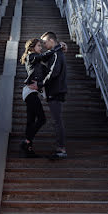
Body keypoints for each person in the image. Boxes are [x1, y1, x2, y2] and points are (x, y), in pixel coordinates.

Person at [20, 38, 62, 158]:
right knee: (42, 119)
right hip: (30, 92)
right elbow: (44, 56)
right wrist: (57, 48)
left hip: (32, 92)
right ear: (32, 47)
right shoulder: (31, 57)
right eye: (39, 45)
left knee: (31, 121)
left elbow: (49, 73)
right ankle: (27, 141)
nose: (41, 47)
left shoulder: (37, 63)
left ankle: (28, 148)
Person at [29, 31, 68, 159]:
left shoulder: (57, 54)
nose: (44, 44)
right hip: (56, 90)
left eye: (45, 42)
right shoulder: (56, 53)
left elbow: (53, 73)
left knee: (57, 121)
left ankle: (61, 150)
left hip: (55, 90)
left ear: (51, 40)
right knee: (57, 121)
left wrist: (40, 84)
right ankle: (60, 148)